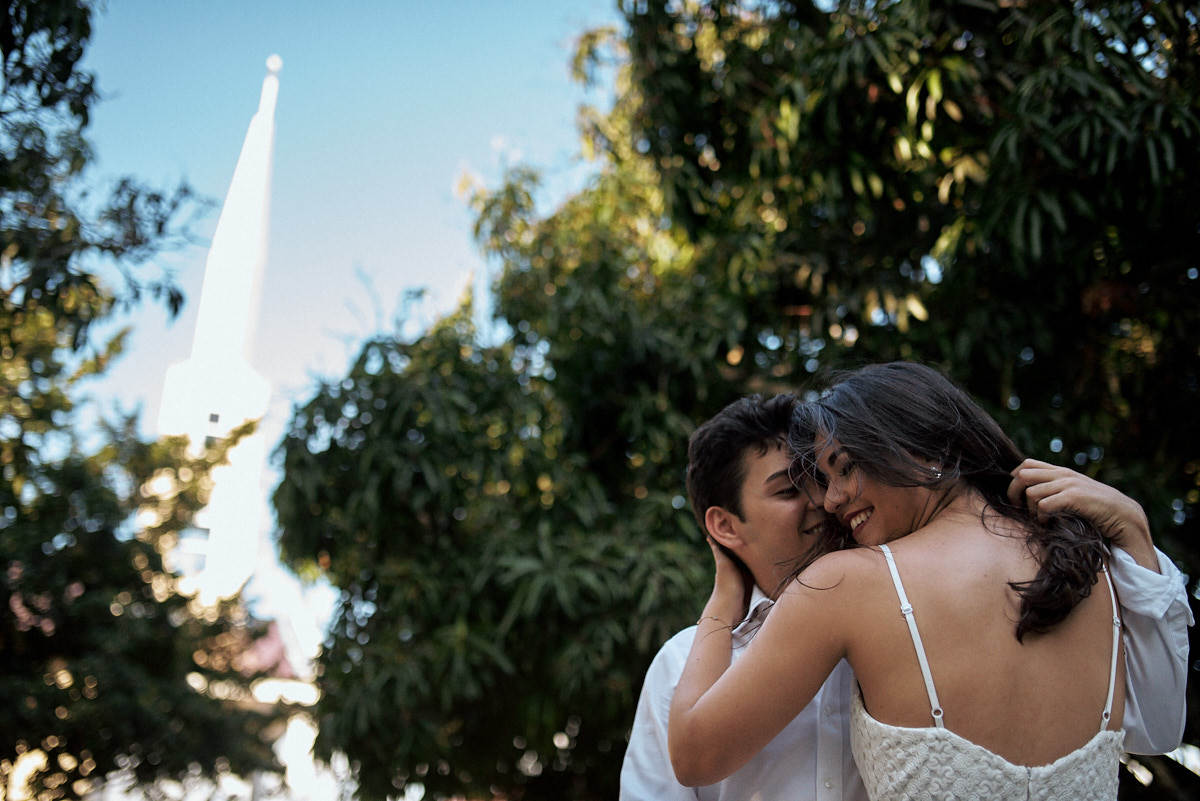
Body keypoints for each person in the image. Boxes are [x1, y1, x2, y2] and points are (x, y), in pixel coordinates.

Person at [660, 369, 1191, 800]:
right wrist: (1135, 534)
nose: (831, 500)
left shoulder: (848, 584)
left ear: (924, 448)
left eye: (845, 468)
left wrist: (723, 603)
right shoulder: (1087, 564)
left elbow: (694, 756)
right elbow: (1161, 729)